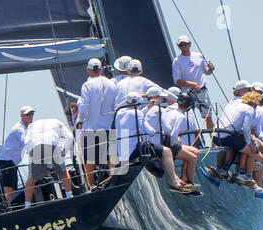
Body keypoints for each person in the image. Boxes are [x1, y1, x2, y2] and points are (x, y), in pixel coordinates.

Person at [115, 92, 193, 194]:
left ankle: (177, 180)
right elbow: (149, 131)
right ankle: (175, 183)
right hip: (134, 149)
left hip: (121, 151)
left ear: (126, 102)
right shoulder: (138, 113)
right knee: (167, 151)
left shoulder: (119, 113)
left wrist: (148, 108)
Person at [212, 92, 263, 200]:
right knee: (252, 150)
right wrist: (250, 143)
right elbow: (246, 128)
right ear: (256, 103)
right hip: (226, 137)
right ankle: (246, 175)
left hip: (216, 136)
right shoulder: (249, 110)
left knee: (244, 144)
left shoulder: (238, 106)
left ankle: (222, 171)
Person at [144, 90, 201, 192]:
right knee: (192, 157)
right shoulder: (179, 116)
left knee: (195, 151)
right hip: (168, 143)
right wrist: (177, 141)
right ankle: (190, 184)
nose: (163, 99)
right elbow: (171, 133)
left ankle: (184, 178)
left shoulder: (170, 111)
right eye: (161, 97)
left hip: (165, 140)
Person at [77, 58, 116, 186]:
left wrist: (80, 121)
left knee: (90, 159)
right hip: (108, 126)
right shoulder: (111, 84)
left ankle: (91, 185)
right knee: (111, 157)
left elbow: (83, 108)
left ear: (88, 70)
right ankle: (112, 181)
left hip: (91, 127)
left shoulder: (87, 85)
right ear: (101, 69)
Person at [23, 118, 74, 208]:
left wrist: (32, 154)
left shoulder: (31, 126)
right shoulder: (58, 122)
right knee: (63, 173)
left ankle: (27, 206)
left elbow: (26, 142)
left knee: (32, 178)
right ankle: (69, 196)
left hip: (36, 148)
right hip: (53, 145)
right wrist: (63, 152)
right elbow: (70, 137)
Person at [172, 35, 215, 128]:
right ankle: (189, 139)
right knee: (186, 117)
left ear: (189, 44)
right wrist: (191, 84)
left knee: (208, 116)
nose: (184, 46)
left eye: (185, 44)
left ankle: (214, 140)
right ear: (178, 46)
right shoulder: (176, 61)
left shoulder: (198, 56)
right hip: (187, 94)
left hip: (201, 91)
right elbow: (177, 81)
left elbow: (206, 72)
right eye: (181, 45)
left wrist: (211, 69)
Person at [0, 106, 34, 205]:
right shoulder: (19, 129)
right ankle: (8, 208)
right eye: (28, 114)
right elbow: (26, 143)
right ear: (22, 116)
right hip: (6, 161)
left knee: (13, 187)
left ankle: (11, 206)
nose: (30, 116)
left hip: (12, 162)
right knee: (9, 187)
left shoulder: (28, 127)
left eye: (32, 114)